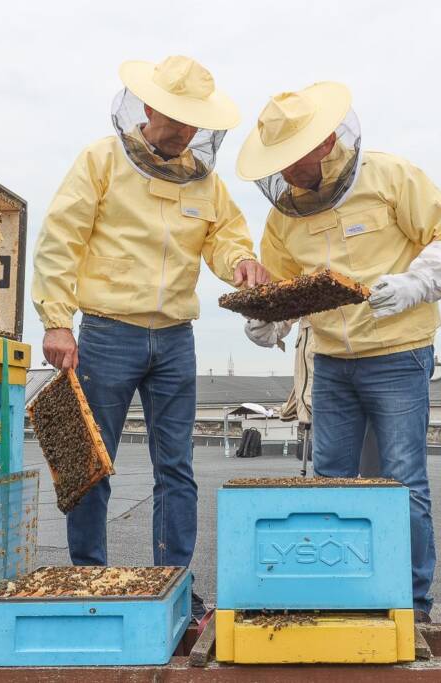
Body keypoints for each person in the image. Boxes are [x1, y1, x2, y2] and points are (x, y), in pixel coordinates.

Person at [31, 56, 269, 620]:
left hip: (174, 337)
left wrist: (241, 262)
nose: (186, 131)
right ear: (152, 107)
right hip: (107, 331)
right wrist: (56, 319)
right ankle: (90, 579)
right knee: (91, 459)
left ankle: (175, 584)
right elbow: (60, 237)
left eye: (195, 121)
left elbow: (225, 237)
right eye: (178, 117)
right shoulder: (101, 160)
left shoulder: (202, 180)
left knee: (176, 466)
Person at [236, 82, 441, 620]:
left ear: (325, 143)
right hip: (332, 362)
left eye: (293, 158)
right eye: (278, 162)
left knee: (403, 481)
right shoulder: (284, 215)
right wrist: (267, 320)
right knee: (330, 481)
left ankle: (413, 604)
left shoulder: (390, 176)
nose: (288, 172)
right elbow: (282, 285)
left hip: (399, 353)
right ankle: (338, 592)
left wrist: (417, 283)